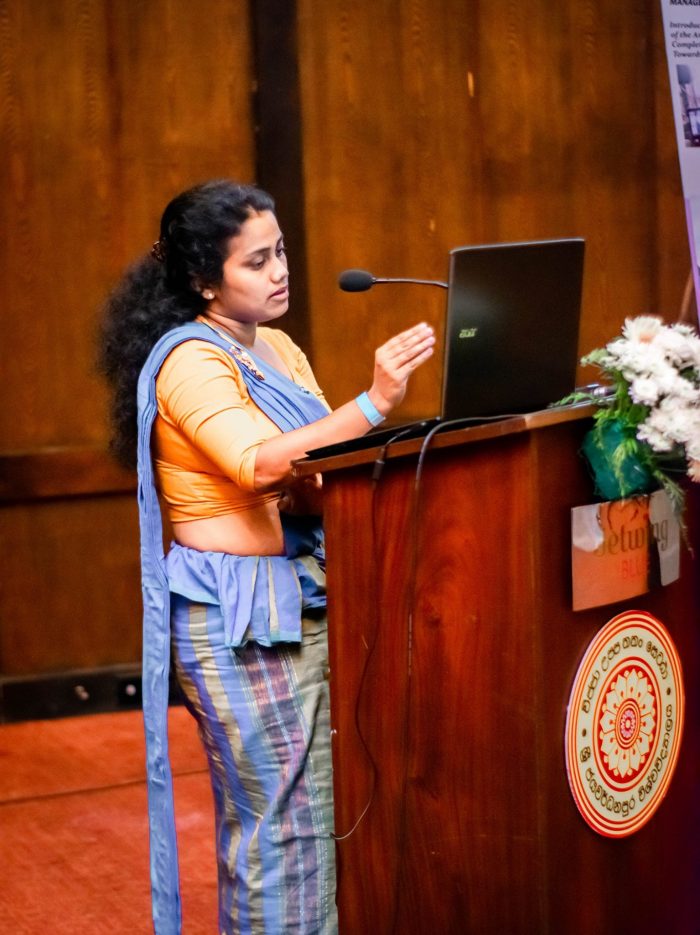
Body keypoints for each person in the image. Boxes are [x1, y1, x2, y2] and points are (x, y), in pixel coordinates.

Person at [99, 179, 435, 935]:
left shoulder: (276, 346)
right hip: (240, 618)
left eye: (280, 251)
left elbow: (309, 468)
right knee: (280, 830)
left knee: (317, 817)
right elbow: (256, 465)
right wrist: (374, 403)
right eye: (256, 261)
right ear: (202, 279)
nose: (281, 271)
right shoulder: (191, 359)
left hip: (302, 593)